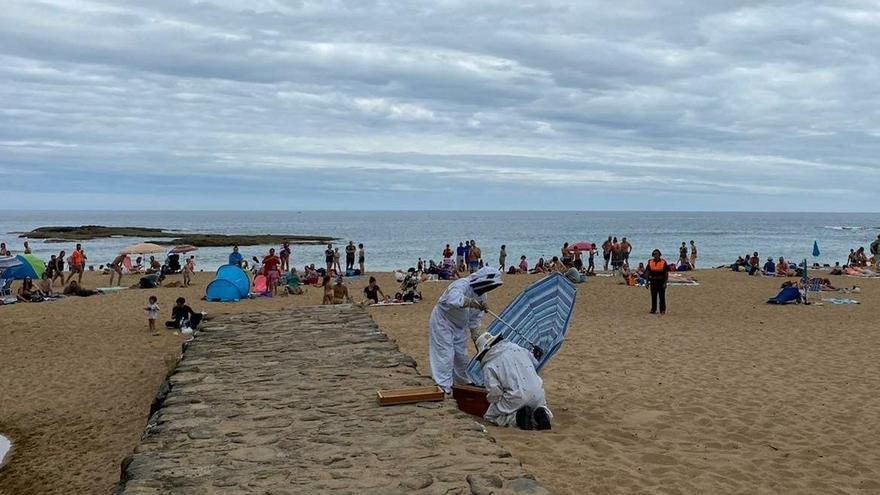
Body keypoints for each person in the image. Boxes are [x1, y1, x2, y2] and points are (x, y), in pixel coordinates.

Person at [429, 267, 503, 394]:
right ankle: (444, 387)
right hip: (443, 322)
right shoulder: (461, 284)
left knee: (461, 357)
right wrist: (470, 302)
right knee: (445, 355)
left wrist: (476, 337)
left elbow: (474, 320)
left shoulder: (482, 297)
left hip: (459, 327)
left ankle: (463, 384)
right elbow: (453, 300)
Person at [471, 331, 552, 430]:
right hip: (538, 394)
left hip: (516, 398)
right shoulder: (517, 348)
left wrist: (492, 401)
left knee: (490, 416)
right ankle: (542, 415)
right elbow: (535, 363)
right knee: (540, 407)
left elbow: (494, 393)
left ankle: (517, 419)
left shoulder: (488, 365)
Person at [646, 249, 670, 315]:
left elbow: (666, 273)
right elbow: (647, 272)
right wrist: (647, 282)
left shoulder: (663, 262)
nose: (656, 255)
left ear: (659, 255)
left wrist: (665, 283)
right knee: (653, 296)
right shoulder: (650, 262)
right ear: (653, 255)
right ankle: (653, 309)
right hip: (653, 281)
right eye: (654, 254)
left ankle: (662, 310)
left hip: (661, 281)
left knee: (662, 296)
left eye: (657, 254)